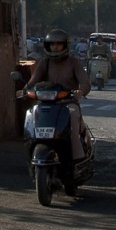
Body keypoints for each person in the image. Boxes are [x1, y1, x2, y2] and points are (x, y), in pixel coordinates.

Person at [26, 29, 91, 160]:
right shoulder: (44, 62)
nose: (55, 47)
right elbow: (32, 82)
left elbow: (85, 83)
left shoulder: (74, 62)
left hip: (67, 103)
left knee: (72, 116)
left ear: (65, 45)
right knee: (31, 115)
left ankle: (77, 157)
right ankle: (31, 153)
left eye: (58, 44)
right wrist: (25, 89)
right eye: (52, 44)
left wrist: (80, 91)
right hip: (47, 104)